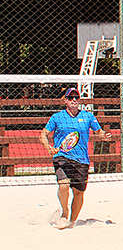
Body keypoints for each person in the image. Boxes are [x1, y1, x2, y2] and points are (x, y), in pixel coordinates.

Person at [39, 88, 112, 229]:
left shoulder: (88, 116)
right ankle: (64, 213)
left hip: (81, 160)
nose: (74, 100)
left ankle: (72, 221)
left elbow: (99, 131)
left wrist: (104, 135)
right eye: (71, 97)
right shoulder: (57, 117)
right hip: (62, 156)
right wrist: (49, 148)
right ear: (65, 100)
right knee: (64, 184)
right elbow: (43, 134)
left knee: (78, 192)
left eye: (76, 97)